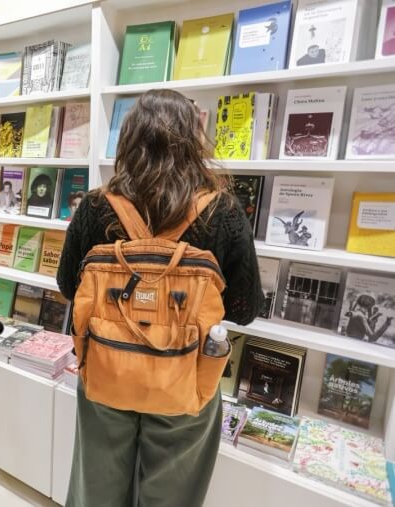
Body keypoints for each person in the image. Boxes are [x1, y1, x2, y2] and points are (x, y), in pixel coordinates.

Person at [56, 89, 263, 507]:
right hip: (185, 378)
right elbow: (246, 309)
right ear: (194, 141)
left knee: (95, 490)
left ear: (129, 138)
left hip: (105, 372)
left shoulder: (96, 207)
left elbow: (67, 284)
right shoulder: (221, 211)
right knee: (174, 495)